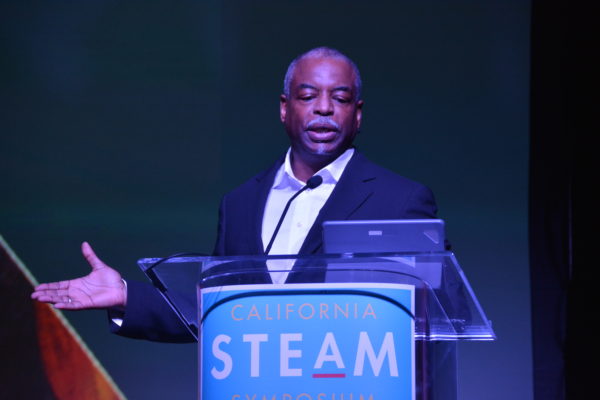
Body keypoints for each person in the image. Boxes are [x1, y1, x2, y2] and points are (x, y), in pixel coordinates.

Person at [31, 46, 439, 342]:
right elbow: (217, 312)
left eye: (341, 98)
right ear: (284, 108)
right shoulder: (241, 203)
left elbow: (435, 311)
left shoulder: (400, 200)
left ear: (358, 114)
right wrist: (126, 296)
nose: (324, 108)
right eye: (308, 95)